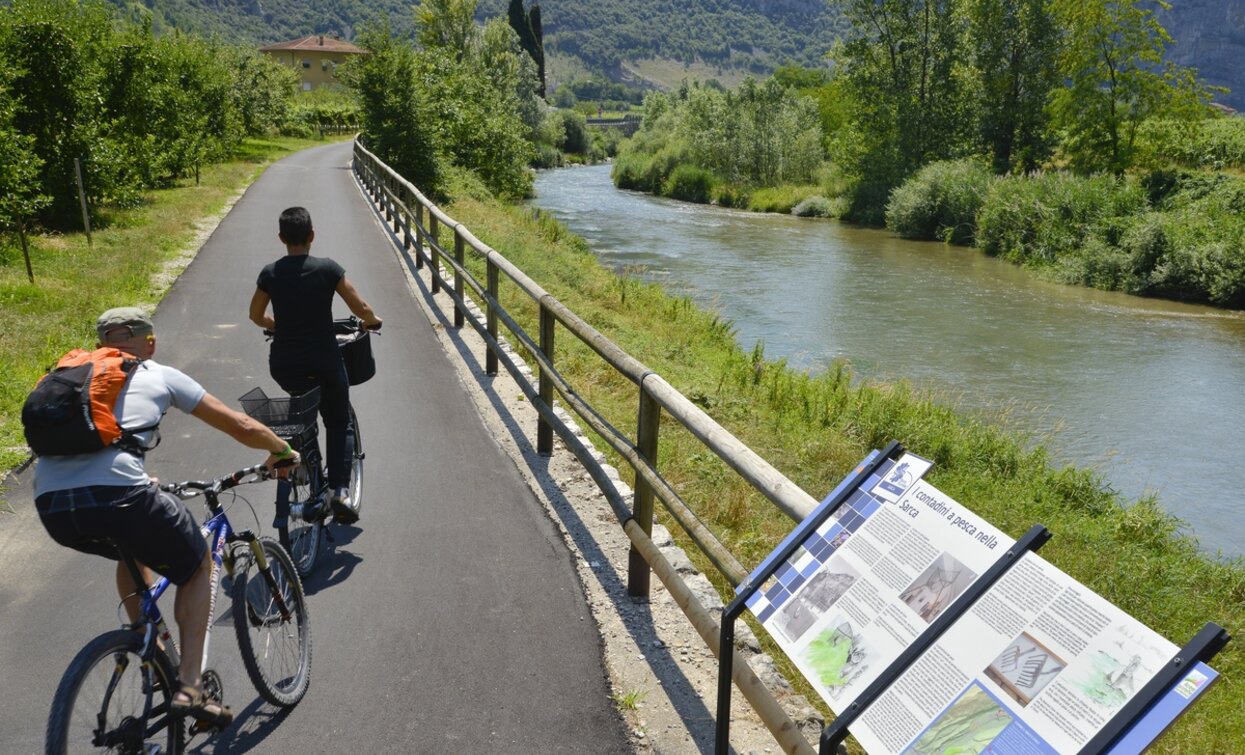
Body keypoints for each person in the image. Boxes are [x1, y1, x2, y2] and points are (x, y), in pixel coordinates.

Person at [34, 307, 300, 727]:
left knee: (131, 553)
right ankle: (190, 687)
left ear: (102, 343)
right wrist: (282, 451)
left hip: (52, 506)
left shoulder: (77, 379)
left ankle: (148, 648)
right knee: (196, 566)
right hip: (120, 495)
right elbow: (240, 425)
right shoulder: (156, 373)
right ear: (150, 341)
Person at [248, 206, 382, 524]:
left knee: (302, 405)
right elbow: (360, 307)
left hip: (284, 363)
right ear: (312, 235)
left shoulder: (270, 274)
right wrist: (372, 321)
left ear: (281, 238)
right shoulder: (328, 269)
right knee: (338, 422)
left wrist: (279, 326)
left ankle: (304, 460)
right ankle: (338, 491)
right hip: (324, 358)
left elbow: (255, 316)